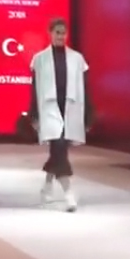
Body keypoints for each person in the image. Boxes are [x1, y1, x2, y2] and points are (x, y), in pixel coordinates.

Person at [28, 18, 93, 212]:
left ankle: (47, 187)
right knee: (59, 146)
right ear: (50, 33)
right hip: (49, 109)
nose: (60, 36)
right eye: (57, 32)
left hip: (70, 108)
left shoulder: (77, 58)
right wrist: (34, 114)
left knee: (58, 148)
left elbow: (85, 88)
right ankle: (69, 194)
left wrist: (89, 114)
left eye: (63, 33)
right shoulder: (40, 59)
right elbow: (34, 88)